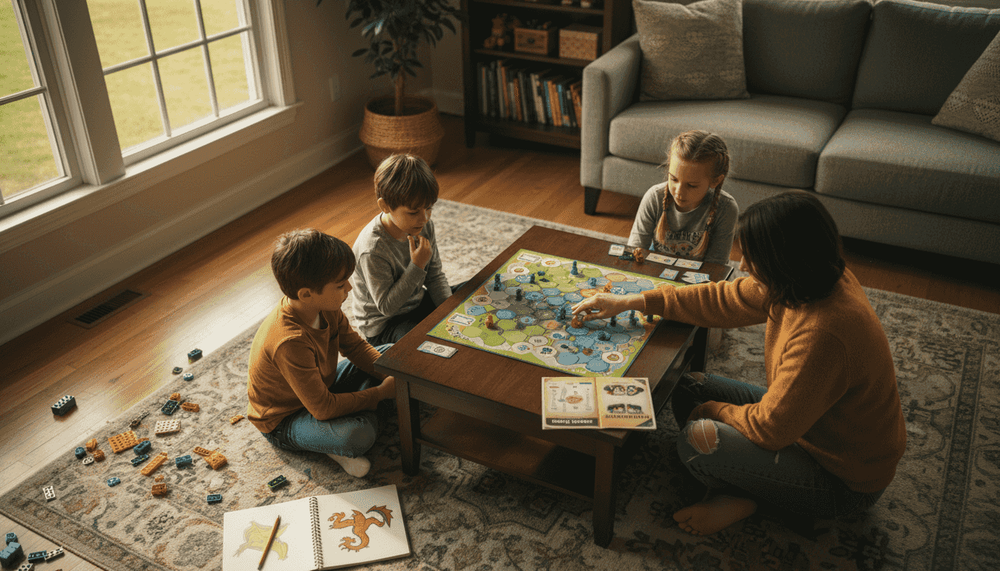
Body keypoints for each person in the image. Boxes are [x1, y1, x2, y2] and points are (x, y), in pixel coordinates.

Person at [572, 191, 906, 535]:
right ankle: (744, 484)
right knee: (688, 386)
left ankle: (747, 499)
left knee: (696, 439)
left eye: (753, 257)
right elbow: (723, 298)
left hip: (841, 478)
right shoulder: (806, 280)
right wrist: (633, 301)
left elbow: (769, 429)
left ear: (784, 261)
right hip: (808, 425)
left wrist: (713, 412)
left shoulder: (824, 333)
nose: (744, 266)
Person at [247, 229, 396, 478]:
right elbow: (323, 409)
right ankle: (333, 439)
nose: (349, 287)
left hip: (323, 387)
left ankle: (359, 409)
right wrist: (380, 393)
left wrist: (390, 372)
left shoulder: (325, 305)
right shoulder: (289, 341)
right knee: (357, 436)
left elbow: (356, 348)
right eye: (340, 284)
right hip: (285, 420)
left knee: (393, 357)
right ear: (306, 294)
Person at [351, 153, 460, 346]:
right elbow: (387, 307)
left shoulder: (423, 225)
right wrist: (417, 265)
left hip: (416, 304)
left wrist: (451, 311)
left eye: (429, 208)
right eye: (413, 212)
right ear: (385, 205)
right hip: (385, 325)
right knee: (423, 347)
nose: (424, 218)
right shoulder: (373, 249)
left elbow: (434, 276)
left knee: (471, 293)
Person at [627, 130, 739, 268]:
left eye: (691, 186)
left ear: (715, 181)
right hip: (654, 273)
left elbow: (715, 268)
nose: (679, 192)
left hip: (697, 284)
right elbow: (634, 251)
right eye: (673, 179)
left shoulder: (726, 208)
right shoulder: (654, 197)